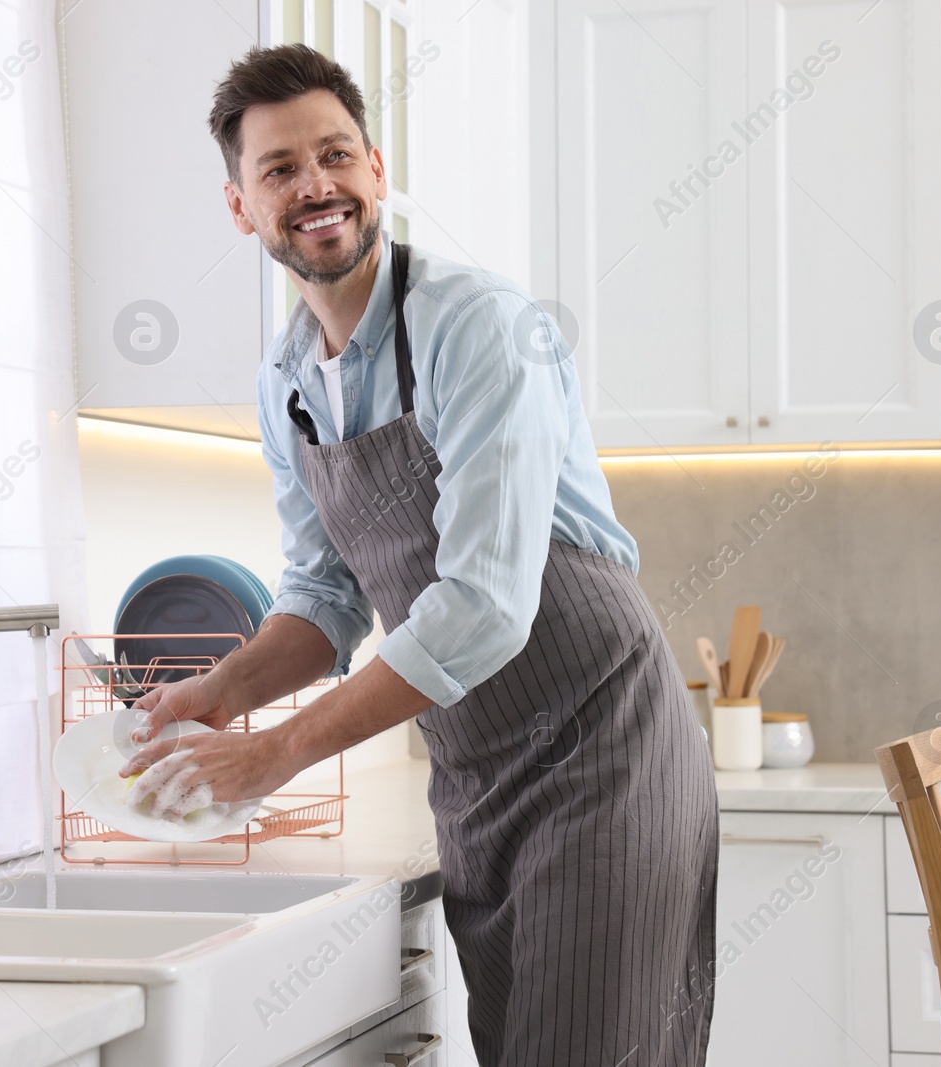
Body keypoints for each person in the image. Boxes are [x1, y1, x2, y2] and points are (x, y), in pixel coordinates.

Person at [121, 43, 718, 1066]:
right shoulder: (285, 383)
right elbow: (324, 595)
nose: (315, 185)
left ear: (376, 169)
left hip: (602, 745)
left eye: (335, 154)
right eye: (278, 170)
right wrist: (220, 693)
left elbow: (484, 604)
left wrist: (273, 752)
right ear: (240, 208)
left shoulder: (479, 327)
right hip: (475, 770)